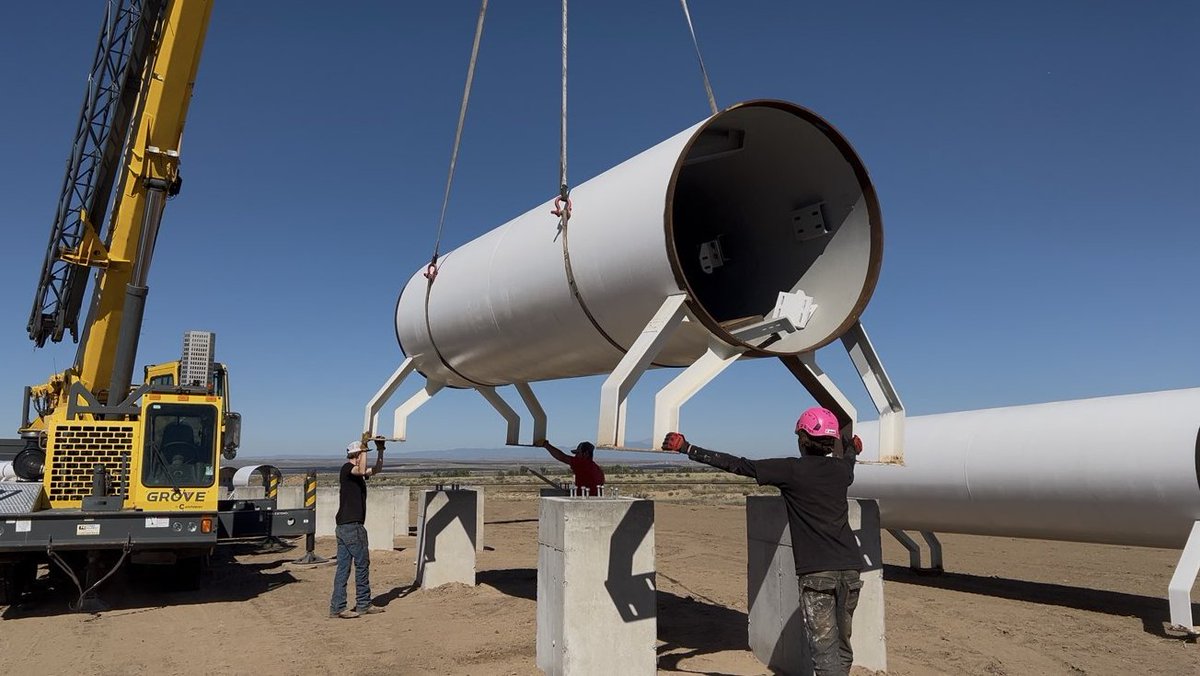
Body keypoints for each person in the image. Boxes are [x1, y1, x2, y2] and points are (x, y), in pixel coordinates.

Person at [662, 407, 864, 676]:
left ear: (802, 439)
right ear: (831, 441)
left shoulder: (792, 470)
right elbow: (849, 460)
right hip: (851, 570)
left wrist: (688, 448)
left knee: (824, 651)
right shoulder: (841, 471)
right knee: (842, 647)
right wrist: (853, 449)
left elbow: (739, 465)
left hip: (818, 573)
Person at [329, 435, 386, 619]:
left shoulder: (355, 472)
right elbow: (361, 470)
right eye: (362, 454)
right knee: (362, 564)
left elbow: (375, 470)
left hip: (344, 526)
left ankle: (337, 607)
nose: (363, 456)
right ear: (356, 454)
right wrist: (364, 448)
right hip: (352, 526)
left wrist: (380, 450)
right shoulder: (348, 469)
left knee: (343, 568)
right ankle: (363, 603)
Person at [535, 439, 606, 495]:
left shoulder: (583, 464)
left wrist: (546, 445)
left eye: (578, 453)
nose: (575, 456)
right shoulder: (597, 469)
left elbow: (562, 457)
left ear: (586, 454)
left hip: (583, 502)